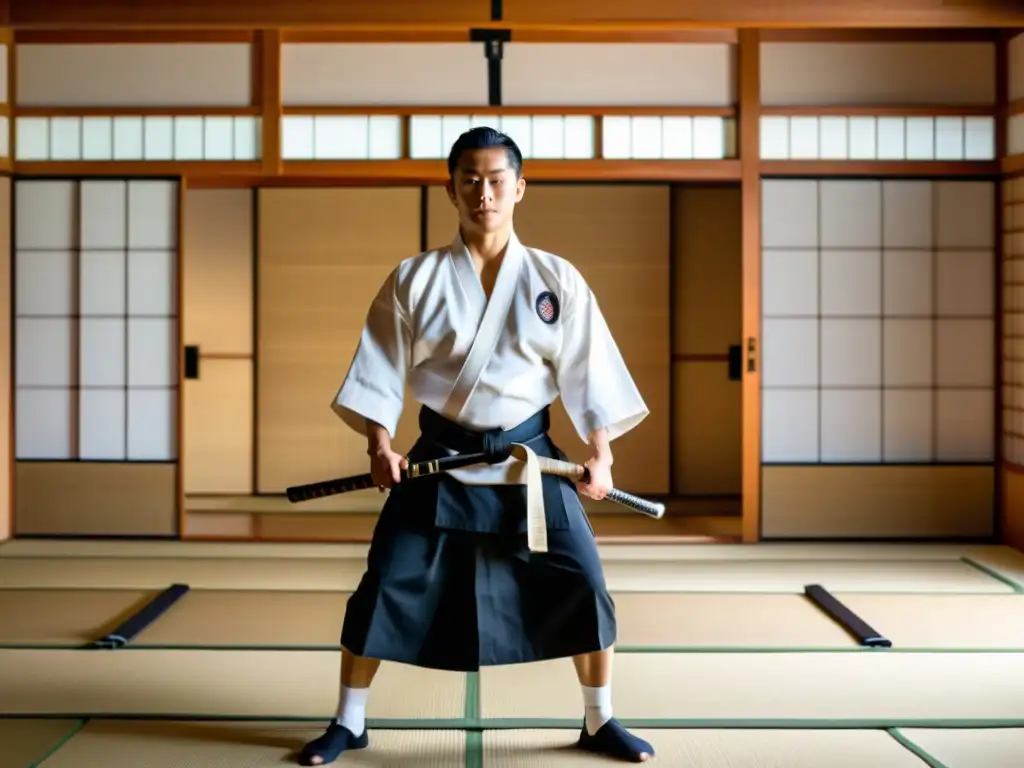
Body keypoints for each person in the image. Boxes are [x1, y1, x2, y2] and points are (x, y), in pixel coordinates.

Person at [298, 126, 655, 765]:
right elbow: (377, 369)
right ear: (451, 187)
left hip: (530, 463)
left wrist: (600, 451)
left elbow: (588, 370)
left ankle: (600, 720)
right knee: (382, 585)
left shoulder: (556, 277)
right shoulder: (415, 278)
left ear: (519, 188)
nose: (483, 193)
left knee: (585, 584)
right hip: (437, 460)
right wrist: (379, 444)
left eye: (496, 180)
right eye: (470, 179)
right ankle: (349, 721)